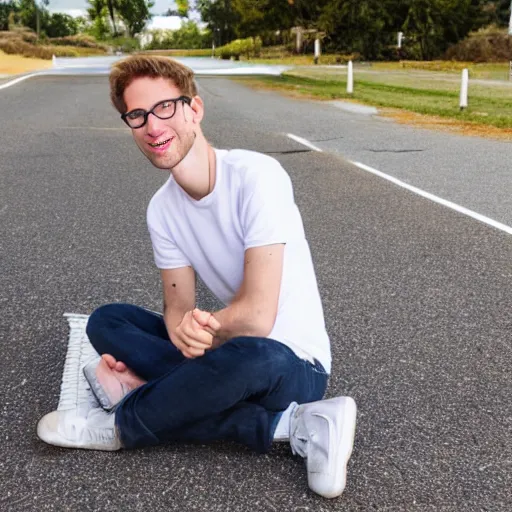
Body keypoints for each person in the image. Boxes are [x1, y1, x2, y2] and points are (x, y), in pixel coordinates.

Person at [37, 55, 357, 499]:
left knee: (249, 356)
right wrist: (184, 332)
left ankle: (123, 423)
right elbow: (176, 307)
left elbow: (258, 317)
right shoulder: (161, 210)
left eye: (165, 107)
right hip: (224, 349)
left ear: (195, 109)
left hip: (291, 365)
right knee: (107, 321)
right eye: (138, 115)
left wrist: (203, 329)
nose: (153, 125)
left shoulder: (257, 177)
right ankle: (290, 424)